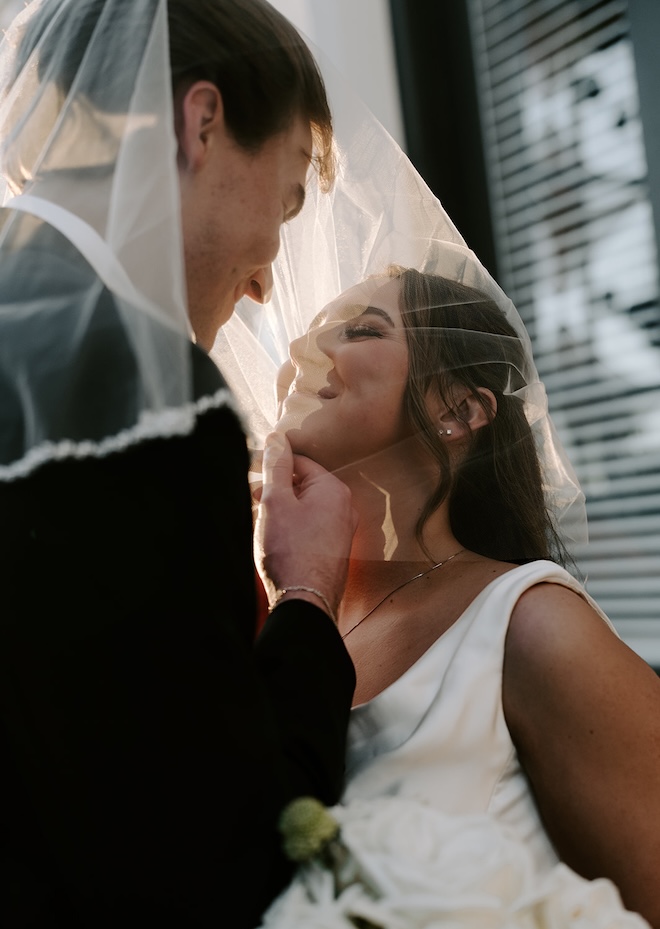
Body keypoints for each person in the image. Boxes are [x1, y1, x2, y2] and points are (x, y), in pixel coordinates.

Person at [212, 66, 660, 927]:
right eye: (319, 325)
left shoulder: (527, 624)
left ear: (459, 410)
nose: (309, 342)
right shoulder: (281, 622)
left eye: (364, 329)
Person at [0, 1, 357, 927]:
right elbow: (216, 861)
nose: (267, 278)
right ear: (201, 123)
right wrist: (311, 599)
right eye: (284, 203)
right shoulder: (150, 402)